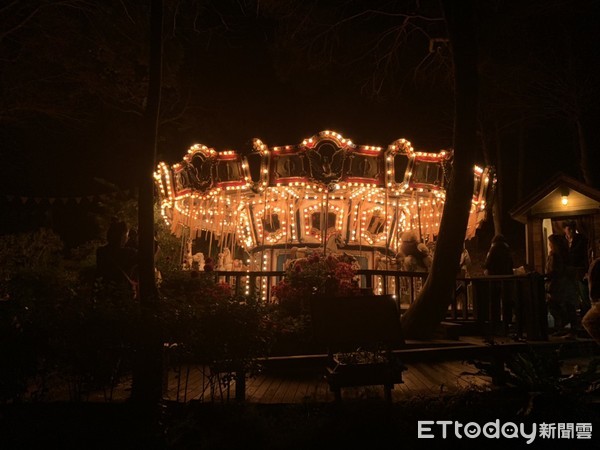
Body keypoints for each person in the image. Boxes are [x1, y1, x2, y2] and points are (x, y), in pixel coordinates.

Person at [546, 233, 579, 338]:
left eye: (550, 243)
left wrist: (547, 276)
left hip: (558, 284)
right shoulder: (563, 254)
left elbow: (555, 270)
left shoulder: (555, 256)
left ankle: (563, 326)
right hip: (562, 283)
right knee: (565, 305)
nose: (549, 245)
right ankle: (567, 328)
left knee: (556, 305)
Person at [96, 220, 138, 299]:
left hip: (105, 292)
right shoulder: (129, 253)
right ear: (122, 236)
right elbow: (147, 260)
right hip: (122, 293)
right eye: (127, 235)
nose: (128, 238)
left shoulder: (101, 251)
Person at [482, 234, 515, 335]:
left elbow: (487, 263)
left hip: (494, 279)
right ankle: (507, 323)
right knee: (506, 301)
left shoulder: (493, 249)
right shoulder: (507, 249)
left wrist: (484, 267)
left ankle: (495, 323)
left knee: (494, 301)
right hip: (506, 279)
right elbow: (511, 264)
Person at [563, 220, 591, 317]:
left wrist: (586, 270)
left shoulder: (581, 239)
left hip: (579, 269)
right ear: (565, 230)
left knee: (583, 293)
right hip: (568, 271)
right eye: (569, 229)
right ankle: (574, 316)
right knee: (571, 294)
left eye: (572, 229)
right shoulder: (563, 241)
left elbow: (583, 255)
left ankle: (586, 314)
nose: (571, 231)